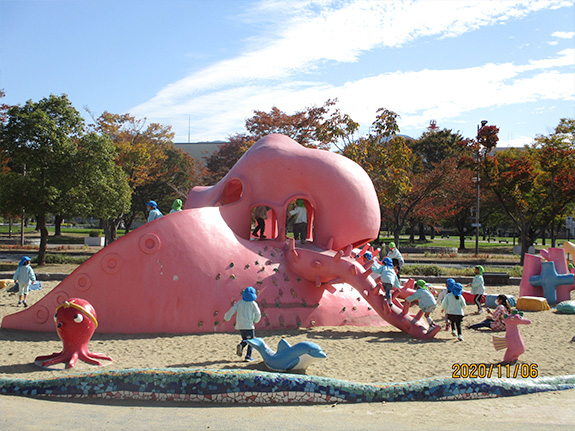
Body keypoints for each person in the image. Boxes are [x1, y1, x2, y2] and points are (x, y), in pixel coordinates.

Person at [224, 286, 261, 361]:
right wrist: (256, 320)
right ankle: (248, 356)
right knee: (252, 341)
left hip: (240, 325)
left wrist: (226, 318)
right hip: (249, 325)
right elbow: (258, 313)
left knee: (245, 338)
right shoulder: (253, 304)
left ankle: (241, 346)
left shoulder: (240, 303)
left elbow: (232, 310)